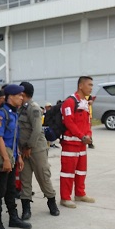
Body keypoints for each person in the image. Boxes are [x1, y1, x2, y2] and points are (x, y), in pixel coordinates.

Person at [0, 84, 31, 229]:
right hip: (3, 158)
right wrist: (6, 159)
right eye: (19, 95)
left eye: (22, 96)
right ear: (10, 96)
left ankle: (13, 218)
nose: (22, 98)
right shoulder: (1, 114)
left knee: (11, 189)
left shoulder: (14, 113)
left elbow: (14, 139)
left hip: (12, 156)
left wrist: (18, 156)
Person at [17, 82, 60, 218]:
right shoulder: (19, 109)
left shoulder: (34, 108)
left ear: (23, 94)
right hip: (23, 149)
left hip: (36, 149)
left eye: (19, 93)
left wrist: (29, 147)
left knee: (43, 176)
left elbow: (36, 130)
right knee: (25, 178)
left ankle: (51, 202)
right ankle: (26, 208)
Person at [60, 77, 95, 208]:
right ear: (81, 86)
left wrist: (89, 135)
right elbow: (69, 122)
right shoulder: (70, 101)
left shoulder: (85, 102)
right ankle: (65, 197)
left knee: (81, 171)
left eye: (92, 85)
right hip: (70, 144)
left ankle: (80, 194)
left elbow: (88, 122)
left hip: (82, 144)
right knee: (68, 172)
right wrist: (82, 136)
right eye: (89, 85)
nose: (91, 87)